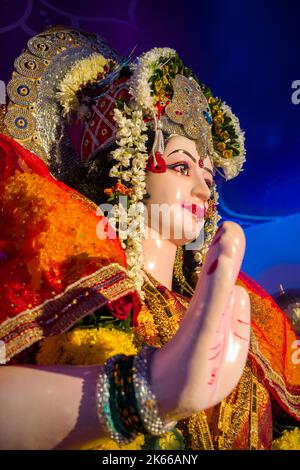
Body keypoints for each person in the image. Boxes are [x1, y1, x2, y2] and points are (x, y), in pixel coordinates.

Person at [0, 26, 299, 450]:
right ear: (128, 170)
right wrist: (146, 391)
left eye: (208, 175)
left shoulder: (243, 318)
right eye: (180, 166)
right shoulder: (73, 284)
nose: (202, 189)